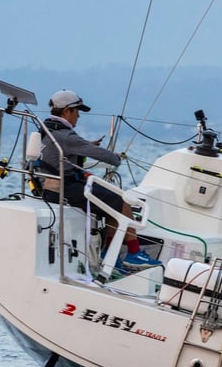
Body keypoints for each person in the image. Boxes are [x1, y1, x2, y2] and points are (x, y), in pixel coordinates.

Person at [37, 89, 160, 270]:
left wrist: (86, 146)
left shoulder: (50, 130)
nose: (78, 116)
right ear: (66, 111)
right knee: (122, 200)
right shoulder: (65, 135)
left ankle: (108, 254)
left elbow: (67, 151)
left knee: (112, 203)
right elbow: (109, 158)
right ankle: (134, 253)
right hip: (62, 191)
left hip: (52, 187)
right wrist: (116, 158)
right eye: (77, 111)